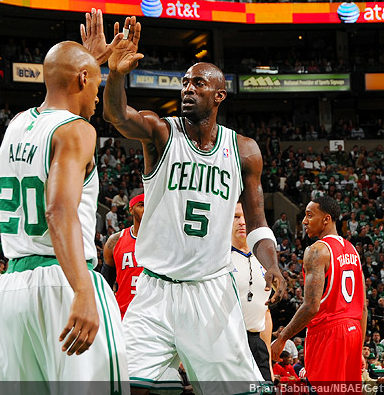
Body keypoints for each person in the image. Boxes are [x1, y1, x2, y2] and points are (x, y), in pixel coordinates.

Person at [103, 15, 285, 395]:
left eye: (198, 83)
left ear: (219, 95)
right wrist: (116, 75)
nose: (188, 88)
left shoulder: (244, 150)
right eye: (185, 82)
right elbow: (117, 116)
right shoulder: (161, 132)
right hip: (154, 291)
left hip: (210, 294)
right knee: (129, 386)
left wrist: (272, 264)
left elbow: (257, 224)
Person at [0, 19, 129, 393]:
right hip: (63, 280)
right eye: (96, 82)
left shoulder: (14, 125)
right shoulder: (77, 129)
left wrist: (86, 63)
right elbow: (58, 211)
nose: (97, 95)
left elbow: (61, 88)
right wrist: (82, 290)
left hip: (13, 288)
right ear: (81, 79)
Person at [271, 196, 367, 393]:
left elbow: (311, 306)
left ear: (326, 219)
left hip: (330, 332)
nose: (305, 221)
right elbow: (363, 307)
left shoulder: (317, 251)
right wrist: (359, 350)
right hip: (354, 331)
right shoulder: (353, 251)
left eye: (309, 215)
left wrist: (282, 338)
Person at [231, 202, 273, 381]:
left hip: (256, 343)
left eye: (245, 217)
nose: (242, 222)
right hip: (227, 343)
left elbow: (265, 313)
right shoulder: (218, 258)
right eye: (236, 217)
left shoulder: (265, 260)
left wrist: (269, 360)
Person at [102, 193, 144, 318]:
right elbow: (106, 282)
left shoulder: (164, 240)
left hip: (155, 315)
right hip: (123, 314)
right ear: (131, 209)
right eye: (141, 205)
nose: (146, 210)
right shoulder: (115, 241)